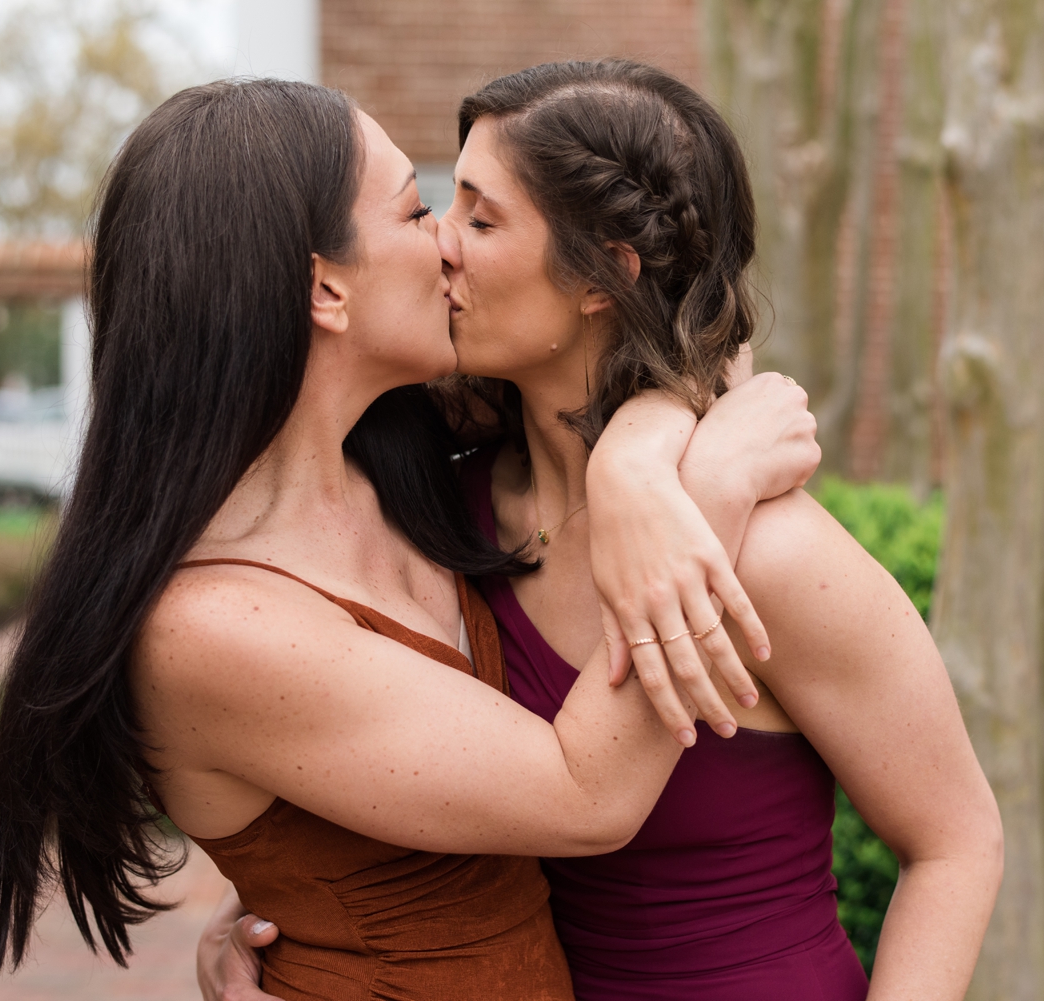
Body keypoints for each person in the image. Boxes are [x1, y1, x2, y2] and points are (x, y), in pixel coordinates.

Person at [0, 77, 819, 1001]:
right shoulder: (207, 623)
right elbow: (586, 795)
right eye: (418, 211)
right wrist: (710, 491)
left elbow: (688, 339)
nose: (449, 240)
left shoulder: (409, 466)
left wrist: (638, 464)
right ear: (326, 288)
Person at [205, 61, 1002, 1000]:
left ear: (604, 273)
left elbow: (956, 840)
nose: (440, 249)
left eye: (480, 217)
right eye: (438, 206)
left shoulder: (770, 554)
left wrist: (650, 454)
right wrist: (295, 908)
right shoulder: (437, 517)